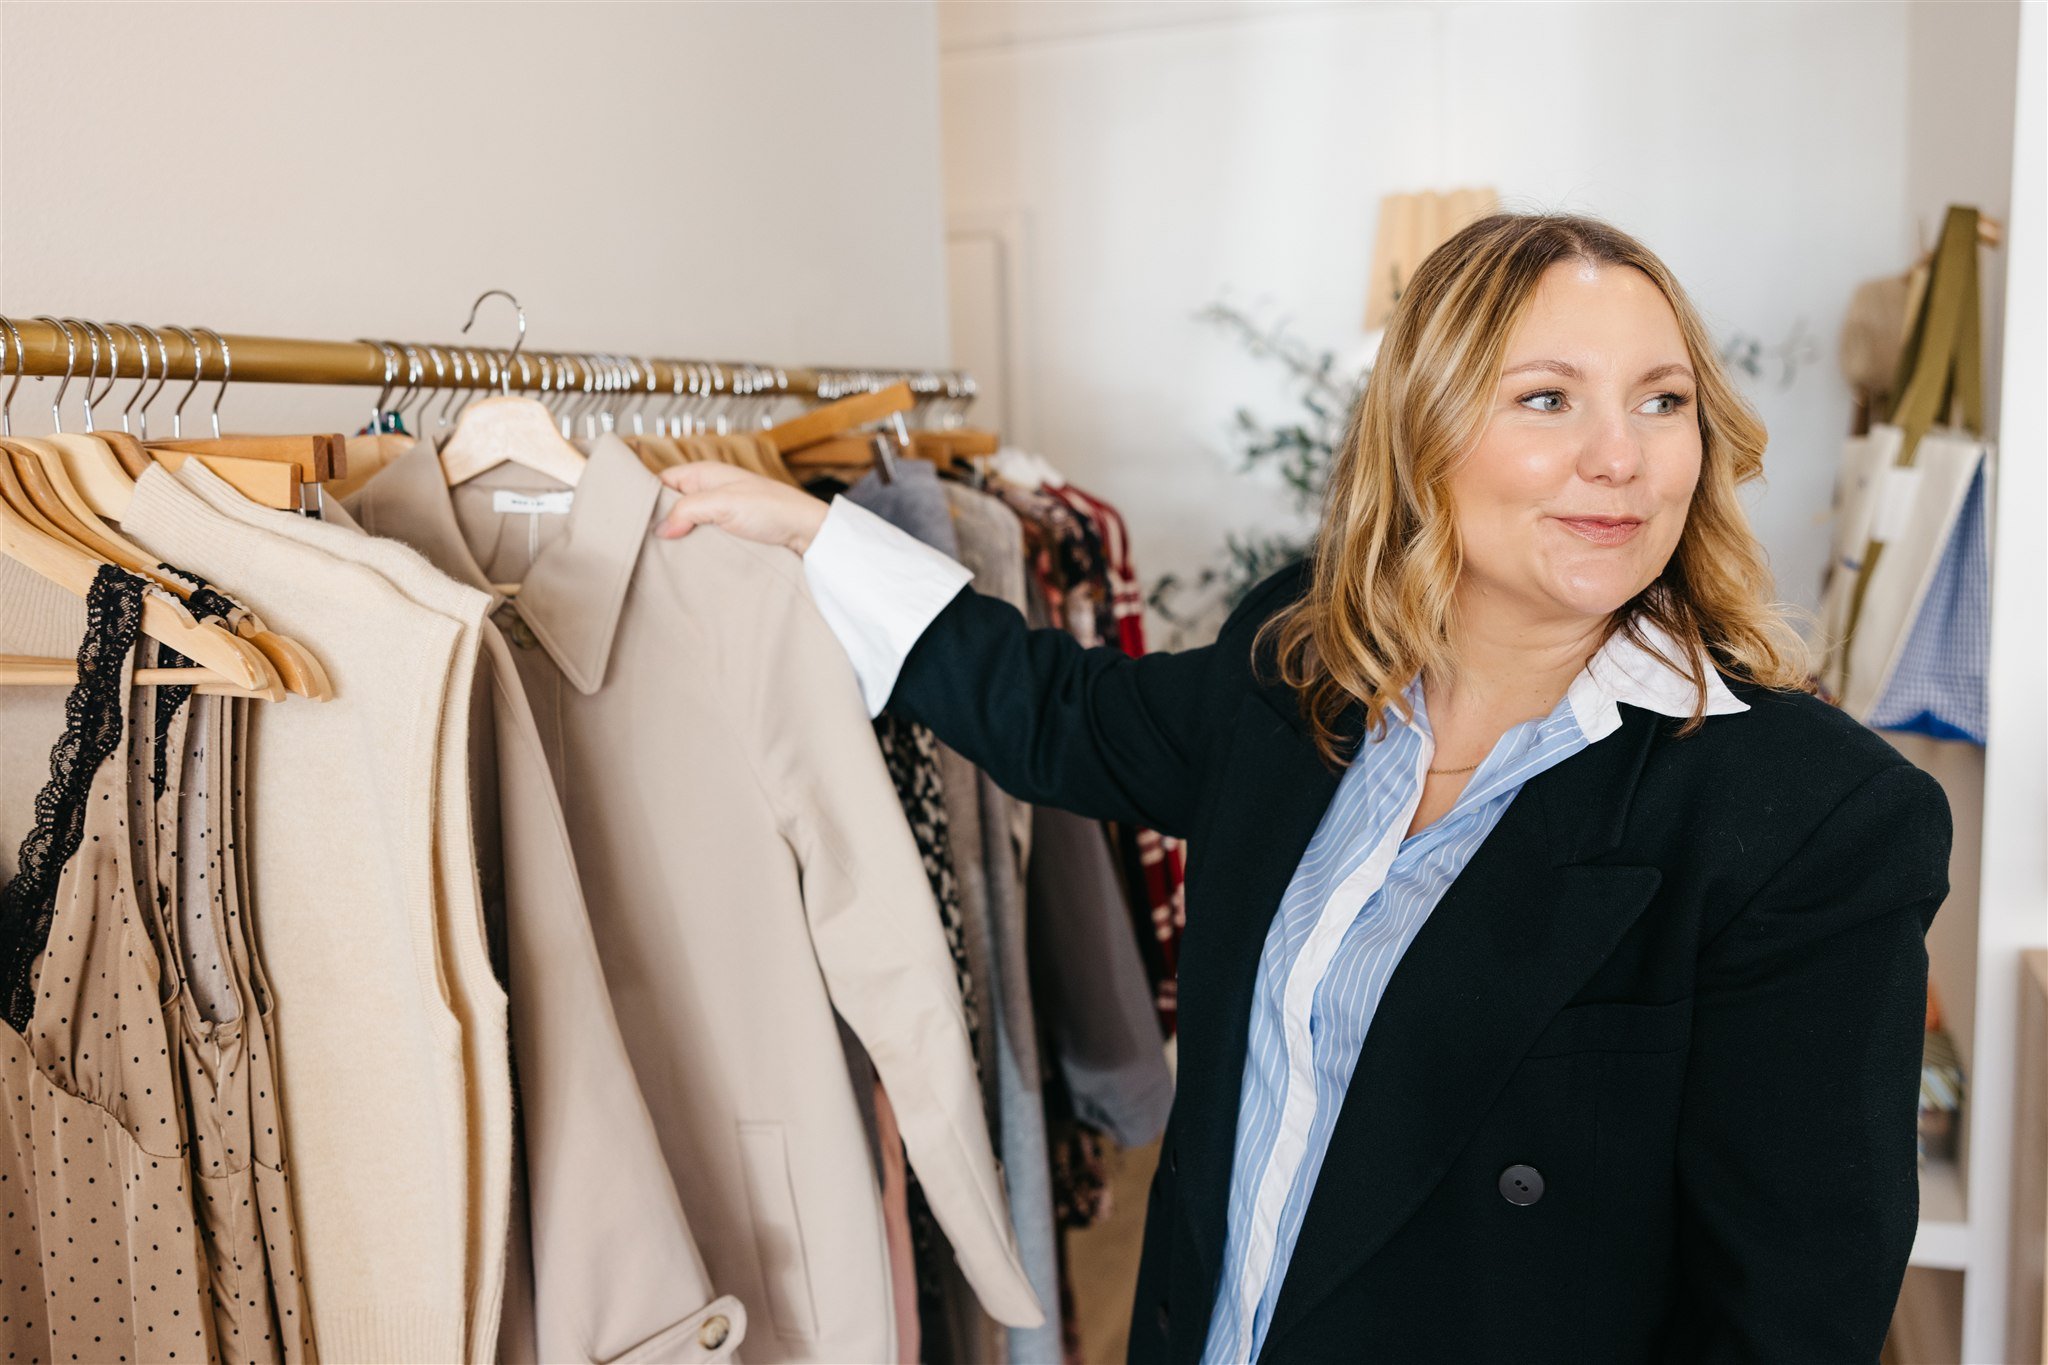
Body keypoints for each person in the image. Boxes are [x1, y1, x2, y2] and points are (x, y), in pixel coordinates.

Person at [653, 212, 1952, 1364]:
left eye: (1663, 402)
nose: (1622, 457)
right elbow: (1067, 715)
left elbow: (1791, 1317)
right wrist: (815, 535)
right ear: (1425, 432)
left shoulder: (1811, 817)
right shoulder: (1306, 666)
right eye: (1549, 398)